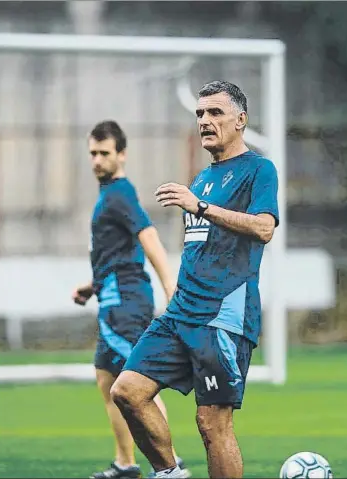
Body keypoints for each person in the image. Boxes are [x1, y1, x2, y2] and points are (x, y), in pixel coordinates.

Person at [110, 81, 280, 479]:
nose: (205, 120)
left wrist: (200, 206)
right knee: (127, 392)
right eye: (200, 114)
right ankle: (171, 473)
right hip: (180, 313)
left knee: (212, 424)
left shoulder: (259, 170)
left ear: (241, 120)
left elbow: (264, 228)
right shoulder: (202, 178)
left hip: (222, 316)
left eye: (215, 113)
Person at [72, 121, 190, 479]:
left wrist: (170, 284)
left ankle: (171, 463)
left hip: (127, 303)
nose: (96, 160)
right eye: (92, 152)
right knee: (108, 381)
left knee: (138, 384)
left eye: (104, 153)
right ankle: (126, 464)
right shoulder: (108, 195)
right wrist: (91, 286)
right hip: (111, 300)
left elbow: (148, 236)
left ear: (121, 154)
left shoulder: (121, 193)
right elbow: (116, 254)